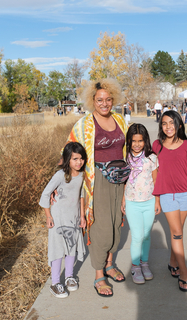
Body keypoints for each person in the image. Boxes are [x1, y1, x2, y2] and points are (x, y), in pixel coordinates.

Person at [64, 78, 128, 297]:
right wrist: (62, 184)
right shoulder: (84, 124)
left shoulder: (120, 119)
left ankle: (110, 264)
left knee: (117, 223)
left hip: (120, 178)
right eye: (100, 100)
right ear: (92, 101)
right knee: (101, 227)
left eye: (109, 99)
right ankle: (99, 275)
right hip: (97, 181)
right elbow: (69, 153)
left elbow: (127, 149)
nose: (104, 103)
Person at [152, 110, 187, 292]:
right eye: (164, 124)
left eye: (172, 123)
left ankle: (173, 262)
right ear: (161, 126)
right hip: (167, 194)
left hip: (185, 193)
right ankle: (184, 273)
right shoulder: (157, 145)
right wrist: (156, 198)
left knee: (177, 232)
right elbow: (154, 173)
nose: (168, 127)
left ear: (179, 124)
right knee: (177, 232)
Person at [39, 142, 87, 298]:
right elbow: (45, 195)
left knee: (71, 247)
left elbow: (81, 195)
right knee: (58, 249)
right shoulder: (60, 175)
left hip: (73, 218)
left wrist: (82, 216)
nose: (78, 162)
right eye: (74, 159)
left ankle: (69, 277)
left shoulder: (81, 175)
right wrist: (48, 216)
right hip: (58, 218)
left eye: (81, 159)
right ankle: (55, 283)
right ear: (67, 159)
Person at [121, 123, 160, 284]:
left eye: (140, 141)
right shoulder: (125, 157)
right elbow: (124, 181)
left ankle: (145, 264)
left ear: (146, 141)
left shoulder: (151, 157)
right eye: (134, 141)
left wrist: (157, 200)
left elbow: (156, 179)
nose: (137, 144)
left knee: (146, 235)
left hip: (149, 202)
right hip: (132, 202)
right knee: (137, 236)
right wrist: (123, 199)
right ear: (129, 141)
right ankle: (135, 266)